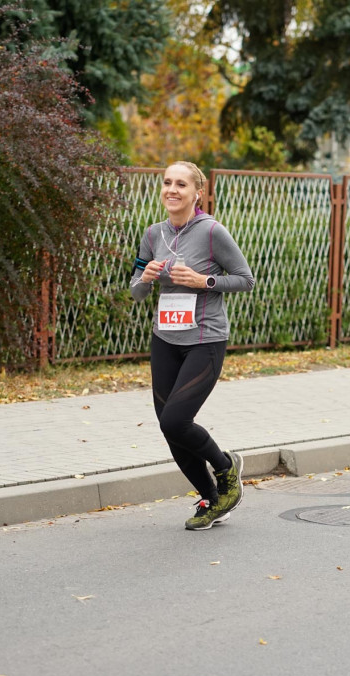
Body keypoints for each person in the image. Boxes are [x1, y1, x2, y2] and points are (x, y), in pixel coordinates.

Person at [130, 161, 255, 530]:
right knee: (169, 427)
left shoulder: (212, 231)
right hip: (165, 339)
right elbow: (136, 291)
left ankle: (226, 467)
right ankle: (212, 499)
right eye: (167, 182)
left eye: (181, 184)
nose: (172, 189)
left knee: (176, 420)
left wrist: (205, 281)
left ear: (197, 193)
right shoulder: (153, 234)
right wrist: (146, 278)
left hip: (205, 340)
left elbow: (245, 279)